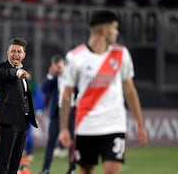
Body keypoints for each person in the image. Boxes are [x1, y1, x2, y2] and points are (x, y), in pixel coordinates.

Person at [58, 10, 148, 174]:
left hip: (114, 123)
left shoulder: (121, 54)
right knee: (85, 170)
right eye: (114, 28)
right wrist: (64, 127)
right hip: (86, 124)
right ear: (104, 31)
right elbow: (66, 93)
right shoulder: (75, 57)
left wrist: (140, 124)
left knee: (112, 169)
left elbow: (129, 89)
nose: (117, 32)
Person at [0, 38, 38, 174]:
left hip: (22, 123)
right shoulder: (3, 68)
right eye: (13, 51)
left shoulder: (23, 71)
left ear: (24, 54)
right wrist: (17, 73)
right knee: (4, 162)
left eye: (19, 51)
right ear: (8, 53)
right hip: (7, 122)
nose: (15, 54)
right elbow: (10, 73)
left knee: (15, 163)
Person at [39, 54, 76, 174]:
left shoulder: (72, 76)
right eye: (55, 66)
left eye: (59, 66)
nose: (58, 69)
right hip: (56, 113)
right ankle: (45, 169)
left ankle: (72, 169)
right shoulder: (54, 78)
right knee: (51, 141)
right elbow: (45, 90)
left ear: (63, 64)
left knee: (72, 141)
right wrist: (50, 75)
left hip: (71, 112)